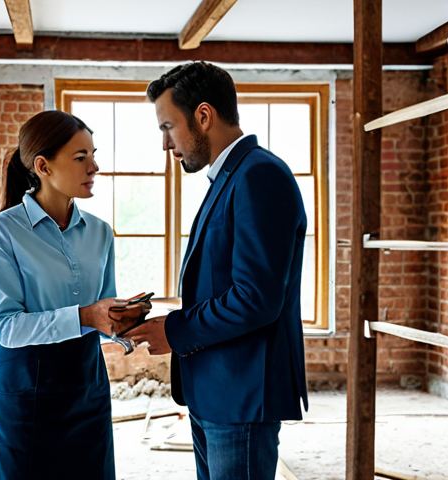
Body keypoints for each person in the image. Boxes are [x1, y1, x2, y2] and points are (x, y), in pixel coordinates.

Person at [122, 62, 309, 479]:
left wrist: (175, 329)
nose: (165, 144)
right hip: (216, 390)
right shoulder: (230, 175)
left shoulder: (259, 175)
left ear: (203, 116)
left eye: (168, 127)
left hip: (241, 394)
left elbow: (255, 298)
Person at [0, 110, 148, 480]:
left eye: (94, 154)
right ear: (43, 166)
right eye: (81, 157)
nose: (95, 166)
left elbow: (103, 315)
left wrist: (122, 320)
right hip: (24, 390)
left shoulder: (101, 232)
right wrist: (86, 316)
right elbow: (6, 327)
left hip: (86, 386)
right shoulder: (1, 231)